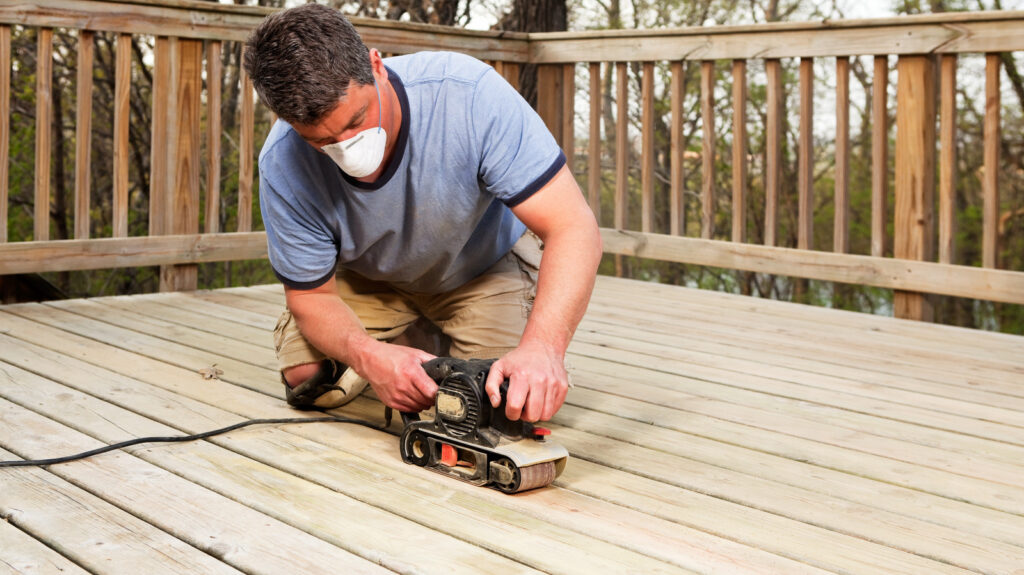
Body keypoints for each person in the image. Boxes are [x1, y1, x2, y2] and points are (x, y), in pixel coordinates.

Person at [243, 4, 601, 423]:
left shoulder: (469, 94)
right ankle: (411, 340)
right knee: (308, 378)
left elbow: (573, 227)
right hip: (371, 278)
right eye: (322, 140)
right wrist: (370, 356)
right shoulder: (283, 162)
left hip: (481, 267)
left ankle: (430, 339)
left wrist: (543, 348)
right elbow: (311, 296)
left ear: (376, 66)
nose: (347, 147)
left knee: (507, 402)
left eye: (357, 119)